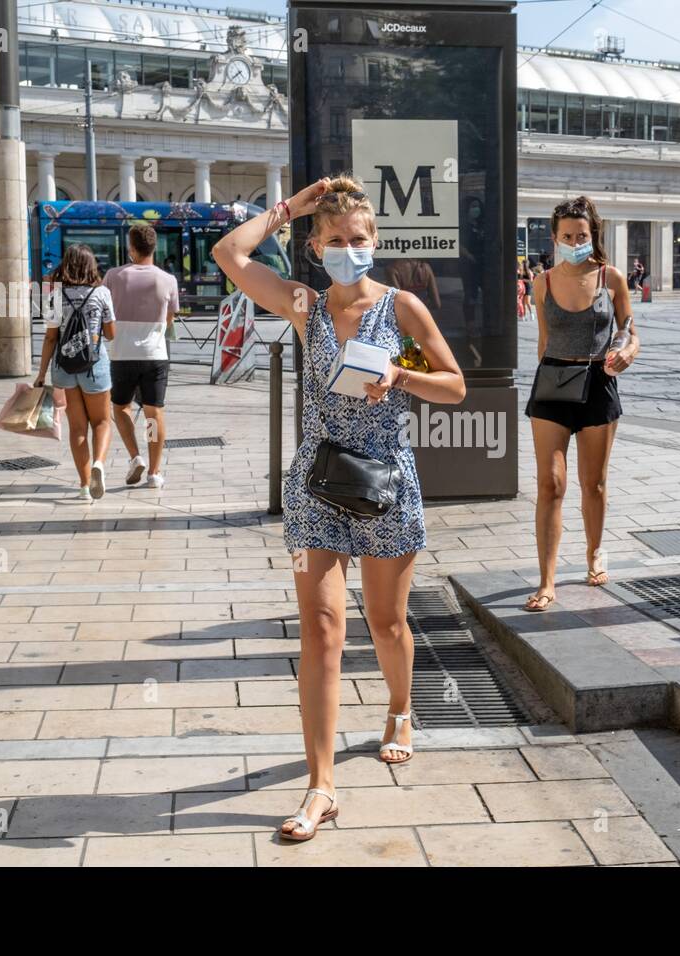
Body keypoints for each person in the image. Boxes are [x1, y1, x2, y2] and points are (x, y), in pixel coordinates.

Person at [211, 175, 466, 843]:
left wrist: (402, 375)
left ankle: (401, 709)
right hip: (316, 484)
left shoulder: (403, 307)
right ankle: (322, 786)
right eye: (333, 241)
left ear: (374, 242)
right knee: (322, 629)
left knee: (385, 623)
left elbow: (456, 387)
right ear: (316, 247)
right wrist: (290, 208)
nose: (347, 249)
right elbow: (228, 254)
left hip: (385, 483)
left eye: (358, 240)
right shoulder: (304, 303)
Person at [523, 195, 638, 611]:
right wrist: (545, 373)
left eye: (582, 235)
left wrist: (627, 351)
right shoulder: (543, 283)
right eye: (567, 235)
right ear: (555, 238)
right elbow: (542, 339)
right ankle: (547, 580)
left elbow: (629, 331)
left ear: (594, 236)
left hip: (598, 383)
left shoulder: (612, 278)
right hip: (553, 382)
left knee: (595, 483)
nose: (575, 240)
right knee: (550, 483)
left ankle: (593, 555)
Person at [34, 244, 116, 503]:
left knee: (77, 428)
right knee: (102, 422)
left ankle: (83, 486)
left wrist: (41, 374)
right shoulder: (102, 293)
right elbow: (111, 335)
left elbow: (50, 339)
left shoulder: (55, 297)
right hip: (95, 366)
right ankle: (99, 465)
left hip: (63, 369)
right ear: (91, 265)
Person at [103, 224, 179, 491]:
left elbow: (105, 313)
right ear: (154, 247)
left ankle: (136, 456)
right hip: (155, 354)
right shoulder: (168, 280)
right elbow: (170, 319)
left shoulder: (113, 276)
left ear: (131, 248)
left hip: (121, 353)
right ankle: (155, 473)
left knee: (121, 407)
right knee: (152, 413)